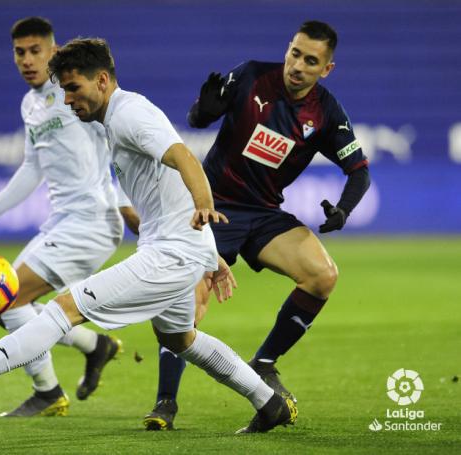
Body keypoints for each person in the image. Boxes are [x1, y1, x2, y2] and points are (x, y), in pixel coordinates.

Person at [0, 37, 298, 434]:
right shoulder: (114, 120)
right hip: (176, 246)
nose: (67, 100)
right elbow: (165, 189)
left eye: (73, 88)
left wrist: (204, 209)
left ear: (101, 80)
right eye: (63, 90)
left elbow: (183, 156)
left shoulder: (129, 114)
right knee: (181, 338)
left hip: (171, 254)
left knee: (63, 309)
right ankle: (269, 403)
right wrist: (208, 252)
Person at [144, 20, 371, 429]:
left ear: (327, 69)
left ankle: (264, 362)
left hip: (264, 212)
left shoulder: (326, 112)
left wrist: (342, 210)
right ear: (288, 49)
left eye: (311, 61)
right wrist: (205, 110)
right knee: (188, 302)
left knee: (322, 275)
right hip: (213, 207)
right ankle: (165, 404)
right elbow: (197, 119)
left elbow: (359, 171)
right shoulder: (251, 76)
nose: (298, 65)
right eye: (295, 53)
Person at [0, 17, 125, 418]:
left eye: (35, 51)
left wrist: (125, 202)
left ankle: (48, 392)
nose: (28, 60)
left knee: (7, 299)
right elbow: (33, 168)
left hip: (92, 221)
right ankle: (92, 346)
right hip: (62, 223)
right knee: (5, 306)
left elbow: (117, 142)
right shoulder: (30, 104)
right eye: (20, 52)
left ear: (53, 50)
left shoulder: (75, 91)